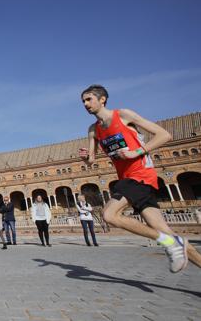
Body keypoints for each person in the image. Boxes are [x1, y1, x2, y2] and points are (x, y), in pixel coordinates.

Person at [79, 84, 201, 271]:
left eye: (89, 99)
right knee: (167, 231)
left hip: (141, 174)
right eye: (83, 101)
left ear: (102, 99)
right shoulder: (93, 130)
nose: (86, 104)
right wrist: (86, 157)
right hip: (126, 178)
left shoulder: (123, 115)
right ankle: (174, 243)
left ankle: (168, 242)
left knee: (109, 215)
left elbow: (164, 135)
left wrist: (136, 152)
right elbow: (91, 161)